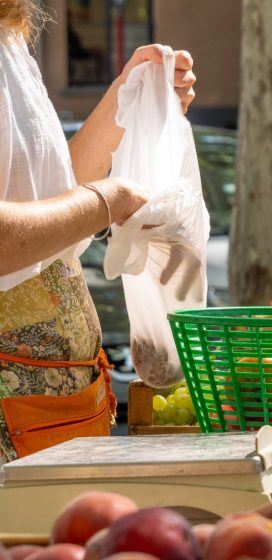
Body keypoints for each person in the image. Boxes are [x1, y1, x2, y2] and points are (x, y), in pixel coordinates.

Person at [0, 1, 196, 462]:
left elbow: (49, 195)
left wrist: (122, 105)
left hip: (53, 409)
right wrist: (112, 199)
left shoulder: (9, 38)